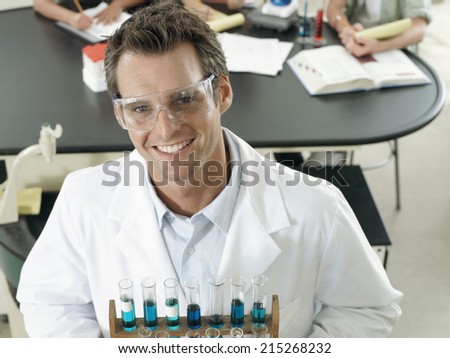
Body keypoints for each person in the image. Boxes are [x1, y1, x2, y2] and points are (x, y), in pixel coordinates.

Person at [17, 2, 402, 338]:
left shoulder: (316, 209)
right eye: (140, 108)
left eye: (184, 99)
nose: (165, 128)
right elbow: (49, 301)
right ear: (120, 113)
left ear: (222, 93)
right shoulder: (82, 200)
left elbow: (368, 308)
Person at [327, 0, 432, 57]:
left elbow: (419, 28)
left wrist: (380, 46)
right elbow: (335, 8)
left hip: (395, 49)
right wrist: (346, 29)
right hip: (354, 43)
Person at [33, 0, 215, 30]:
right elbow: (40, 3)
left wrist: (118, 4)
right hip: (82, 22)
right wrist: (71, 18)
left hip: (122, 17)